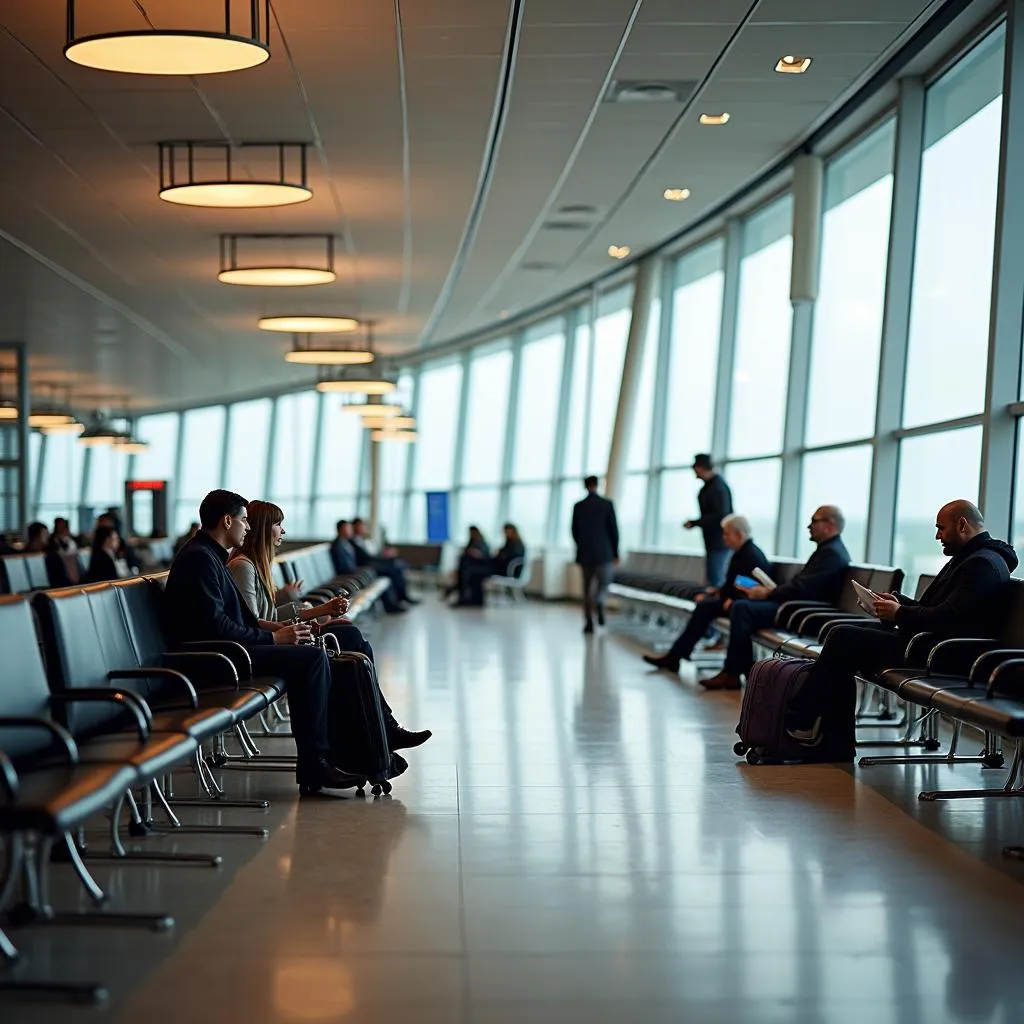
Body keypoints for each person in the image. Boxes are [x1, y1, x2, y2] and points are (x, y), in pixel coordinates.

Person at [164, 489, 365, 796]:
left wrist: (284, 631)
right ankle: (316, 765)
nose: (247, 526)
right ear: (227, 521)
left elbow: (240, 621)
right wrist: (274, 638)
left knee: (312, 651)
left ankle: (328, 757)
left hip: (227, 652)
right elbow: (217, 628)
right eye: (244, 520)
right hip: (215, 661)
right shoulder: (200, 560)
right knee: (311, 659)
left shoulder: (209, 557)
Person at [785, 500, 1017, 761]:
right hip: (930, 644)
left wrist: (900, 614)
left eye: (941, 528)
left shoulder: (980, 564)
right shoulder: (973, 558)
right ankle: (825, 736)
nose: (937, 535)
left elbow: (948, 619)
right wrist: (898, 604)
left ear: (962, 525)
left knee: (843, 638)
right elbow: (941, 610)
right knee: (844, 638)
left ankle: (800, 720)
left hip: (943, 654)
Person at [228, 500, 431, 752]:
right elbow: (253, 623)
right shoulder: (243, 566)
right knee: (348, 637)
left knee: (349, 634)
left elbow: (266, 615)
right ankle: (380, 730)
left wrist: (321, 611)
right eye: (279, 525)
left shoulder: (257, 566)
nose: (283, 531)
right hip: (261, 648)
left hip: (275, 637)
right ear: (263, 528)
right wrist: (303, 623)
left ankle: (382, 727)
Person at [699, 505, 851, 691]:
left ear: (830, 524)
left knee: (742, 608)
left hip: (803, 614)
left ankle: (735, 673)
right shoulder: (828, 550)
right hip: (797, 607)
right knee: (742, 607)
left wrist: (768, 592)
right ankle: (740, 672)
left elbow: (804, 588)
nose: (809, 526)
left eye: (814, 520)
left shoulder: (831, 553)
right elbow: (804, 586)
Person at [642, 514, 770, 672]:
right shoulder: (743, 552)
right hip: (735, 601)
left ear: (739, 535)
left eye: (726, 534)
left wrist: (727, 596)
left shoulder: (750, 555)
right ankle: (676, 655)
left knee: (704, 608)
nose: (723, 538)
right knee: (704, 606)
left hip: (742, 604)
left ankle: (677, 656)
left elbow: (752, 586)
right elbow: (736, 583)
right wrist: (717, 592)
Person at [572, 476, 620, 634]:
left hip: (585, 553)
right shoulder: (606, 504)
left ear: (585, 486)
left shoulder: (579, 506)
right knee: (603, 583)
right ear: (597, 485)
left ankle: (588, 622)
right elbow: (614, 530)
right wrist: (615, 552)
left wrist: (582, 545)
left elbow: (574, 531)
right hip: (604, 553)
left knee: (587, 589)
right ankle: (600, 601)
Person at [684, 454, 733, 588]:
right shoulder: (710, 487)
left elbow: (721, 516)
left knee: (716, 582)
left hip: (719, 543)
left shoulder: (717, 488)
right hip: (714, 542)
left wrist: (696, 523)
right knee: (713, 580)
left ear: (701, 468)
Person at [351, 517, 419, 611]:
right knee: (394, 570)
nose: (364, 528)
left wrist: (385, 556)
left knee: (396, 567)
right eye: (361, 525)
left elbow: (372, 555)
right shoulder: (352, 542)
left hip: (371, 565)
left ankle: (401, 598)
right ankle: (395, 602)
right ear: (355, 527)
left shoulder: (363, 540)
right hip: (366, 569)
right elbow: (365, 558)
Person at [445, 526, 490, 605]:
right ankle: (460, 593)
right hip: (471, 566)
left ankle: (457, 591)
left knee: (466, 573)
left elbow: (485, 556)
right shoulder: (472, 543)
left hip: (480, 567)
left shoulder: (482, 544)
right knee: (463, 567)